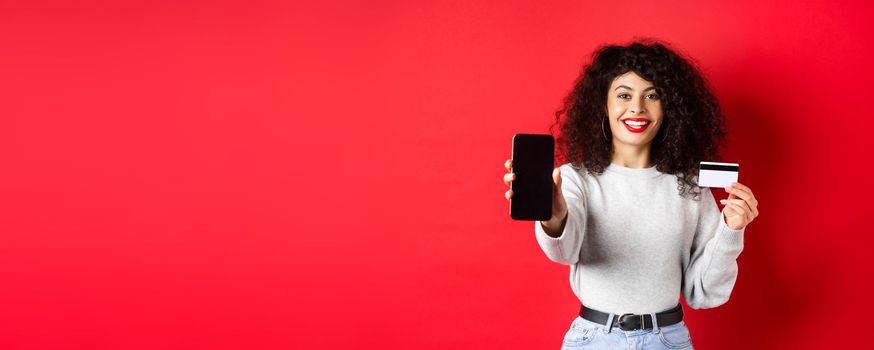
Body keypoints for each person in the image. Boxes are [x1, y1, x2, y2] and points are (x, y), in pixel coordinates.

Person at [502, 40, 759, 350]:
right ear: (603, 105)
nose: (637, 108)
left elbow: (703, 293)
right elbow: (563, 253)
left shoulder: (691, 186)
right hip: (593, 340)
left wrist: (731, 231)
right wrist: (556, 218)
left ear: (669, 108)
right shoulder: (575, 179)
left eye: (652, 96)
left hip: (668, 340)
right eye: (624, 95)